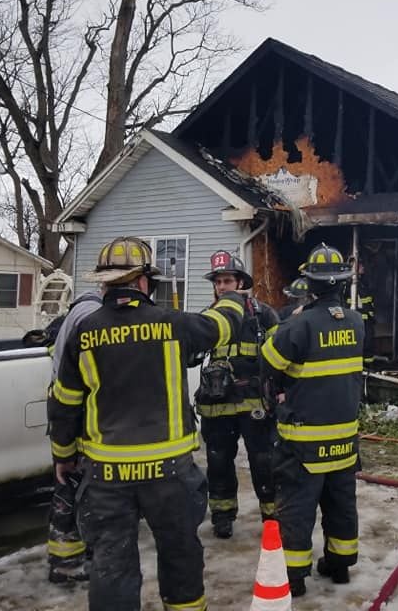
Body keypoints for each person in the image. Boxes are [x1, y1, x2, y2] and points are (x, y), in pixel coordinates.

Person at [47, 237, 246, 611]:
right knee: (180, 556)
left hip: (106, 477)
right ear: (143, 282)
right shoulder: (173, 324)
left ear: (105, 284)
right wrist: (234, 295)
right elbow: (222, 326)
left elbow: (65, 403)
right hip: (170, 474)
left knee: (112, 564)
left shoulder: (82, 332)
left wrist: (63, 456)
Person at [259, 243, 365, 598]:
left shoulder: (298, 325)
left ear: (311, 283)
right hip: (345, 439)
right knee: (341, 504)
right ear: (341, 283)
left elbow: (269, 363)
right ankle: (339, 566)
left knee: (298, 509)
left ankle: (295, 576)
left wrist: (288, 323)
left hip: (304, 442)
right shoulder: (356, 322)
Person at [195, 250, 280, 539]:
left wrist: (279, 392)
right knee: (218, 460)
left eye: (227, 280)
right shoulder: (208, 317)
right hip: (218, 404)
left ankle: (272, 512)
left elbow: (280, 355)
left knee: (263, 459)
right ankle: (222, 514)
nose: (222, 287)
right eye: (218, 282)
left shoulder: (263, 314)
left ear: (240, 283)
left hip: (254, 401)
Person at [43, 288, 103, 585]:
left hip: (63, 410)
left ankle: (63, 560)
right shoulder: (91, 316)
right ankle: (80, 558)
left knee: (66, 484)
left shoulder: (70, 318)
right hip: (80, 413)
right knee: (82, 486)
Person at [350, 258, 377, 368]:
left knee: (368, 343)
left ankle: (368, 367)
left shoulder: (362, 283)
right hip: (359, 320)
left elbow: (367, 300)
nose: (363, 267)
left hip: (366, 319)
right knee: (363, 343)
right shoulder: (349, 285)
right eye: (360, 266)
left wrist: (371, 314)